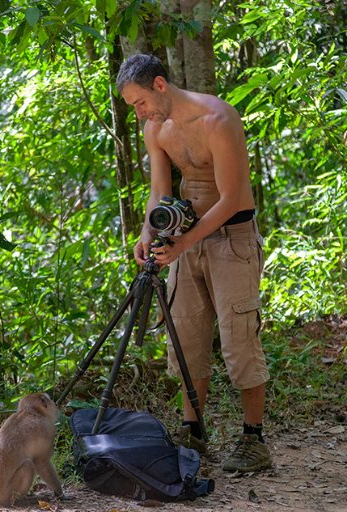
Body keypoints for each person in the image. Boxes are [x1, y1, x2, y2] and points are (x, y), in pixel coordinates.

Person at [116, 53, 272, 473]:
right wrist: (150, 232)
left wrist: (182, 243)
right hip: (184, 238)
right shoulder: (156, 129)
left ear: (160, 86)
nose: (139, 113)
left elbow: (234, 198)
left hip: (231, 238)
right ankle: (194, 433)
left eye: (140, 103)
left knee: (239, 339)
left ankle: (253, 439)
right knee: (185, 337)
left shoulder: (218, 119)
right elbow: (159, 191)